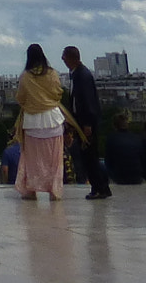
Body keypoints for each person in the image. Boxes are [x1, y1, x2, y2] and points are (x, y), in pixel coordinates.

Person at [13, 44, 74, 202]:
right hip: (52, 120)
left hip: (32, 123)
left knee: (32, 160)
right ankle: (54, 191)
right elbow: (58, 92)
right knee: (54, 160)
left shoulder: (25, 76)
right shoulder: (52, 73)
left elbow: (20, 97)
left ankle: (31, 190)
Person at [60, 47, 111, 199]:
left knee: (89, 157)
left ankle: (99, 188)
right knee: (90, 156)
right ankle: (102, 187)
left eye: (64, 57)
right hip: (83, 122)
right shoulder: (80, 74)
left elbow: (86, 101)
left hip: (85, 124)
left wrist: (87, 123)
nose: (63, 60)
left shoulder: (81, 75)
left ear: (71, 58)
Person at [104, 112, 145, 185]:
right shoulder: (137, 138)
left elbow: (108, 160)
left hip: (119, 177)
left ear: (114, 125)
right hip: (137, 176)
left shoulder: (111, 138)